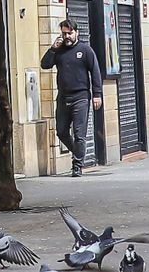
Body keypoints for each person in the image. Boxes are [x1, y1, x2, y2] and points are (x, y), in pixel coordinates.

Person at [41, 19, 103, 176]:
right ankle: (78, 153)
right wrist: (52, 49)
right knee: (61, 131)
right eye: (64, 33)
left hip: (81, 97)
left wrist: (97, 94)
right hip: (63, 97)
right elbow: (45, 65)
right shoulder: (59, 50)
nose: (67, 36)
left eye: (70, 33)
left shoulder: (85, 50)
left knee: (79, 133)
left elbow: (95, 72)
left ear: (77, 33)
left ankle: (77, 166)